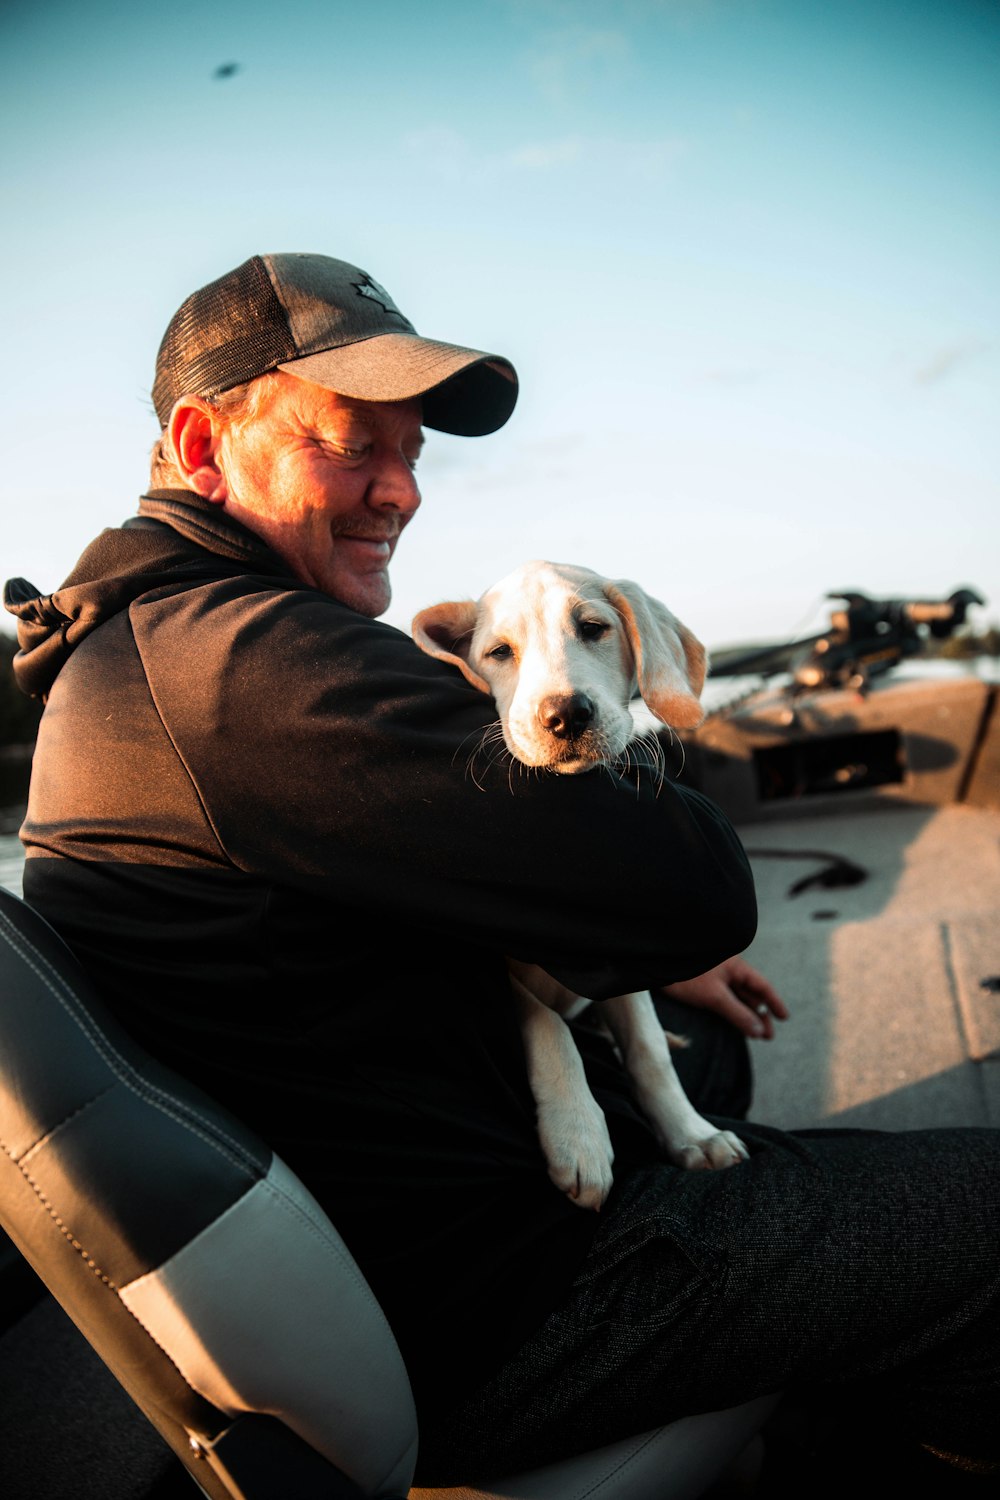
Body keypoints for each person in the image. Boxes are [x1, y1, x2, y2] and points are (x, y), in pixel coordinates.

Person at [4, 253, 998, 1492]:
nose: (400, 492)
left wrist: (604, 943)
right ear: (205, 448)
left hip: (400, 1231)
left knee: (713, 1062)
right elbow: (691, 892)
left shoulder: (129, 656)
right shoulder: (252, 668)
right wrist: (621, 880)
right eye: (351, 445)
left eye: (414, 453)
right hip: (514, 1300)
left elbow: (399, 910)